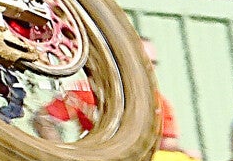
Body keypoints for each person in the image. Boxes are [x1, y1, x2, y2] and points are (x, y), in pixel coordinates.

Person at [36, 38, 181, 151]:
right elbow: (43, 119)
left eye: (152, 63)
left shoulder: (157, 101)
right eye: (143, 61)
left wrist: (181, 152)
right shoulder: (87, 90)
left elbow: (167, 143)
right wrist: (63, 154)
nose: (148, 68)